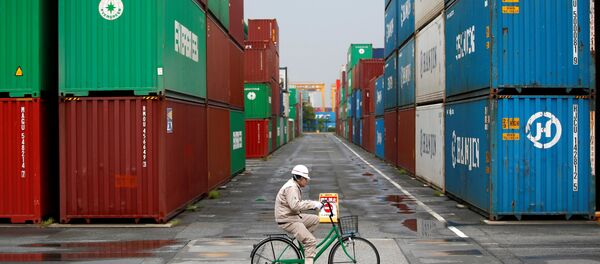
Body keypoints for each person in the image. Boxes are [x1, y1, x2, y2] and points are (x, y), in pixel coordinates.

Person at [274, 164, 322, 264]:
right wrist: (313, 204)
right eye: (305, 178)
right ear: (299, 178)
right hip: (287, 219)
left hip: (292, 216)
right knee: (311, 241)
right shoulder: (291, 187)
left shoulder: (294, 185)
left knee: (315, 219)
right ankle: (308, 246)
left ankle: (304, 241)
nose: (307, 181)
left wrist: (314, 204)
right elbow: (295, 206)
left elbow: (296, 206)